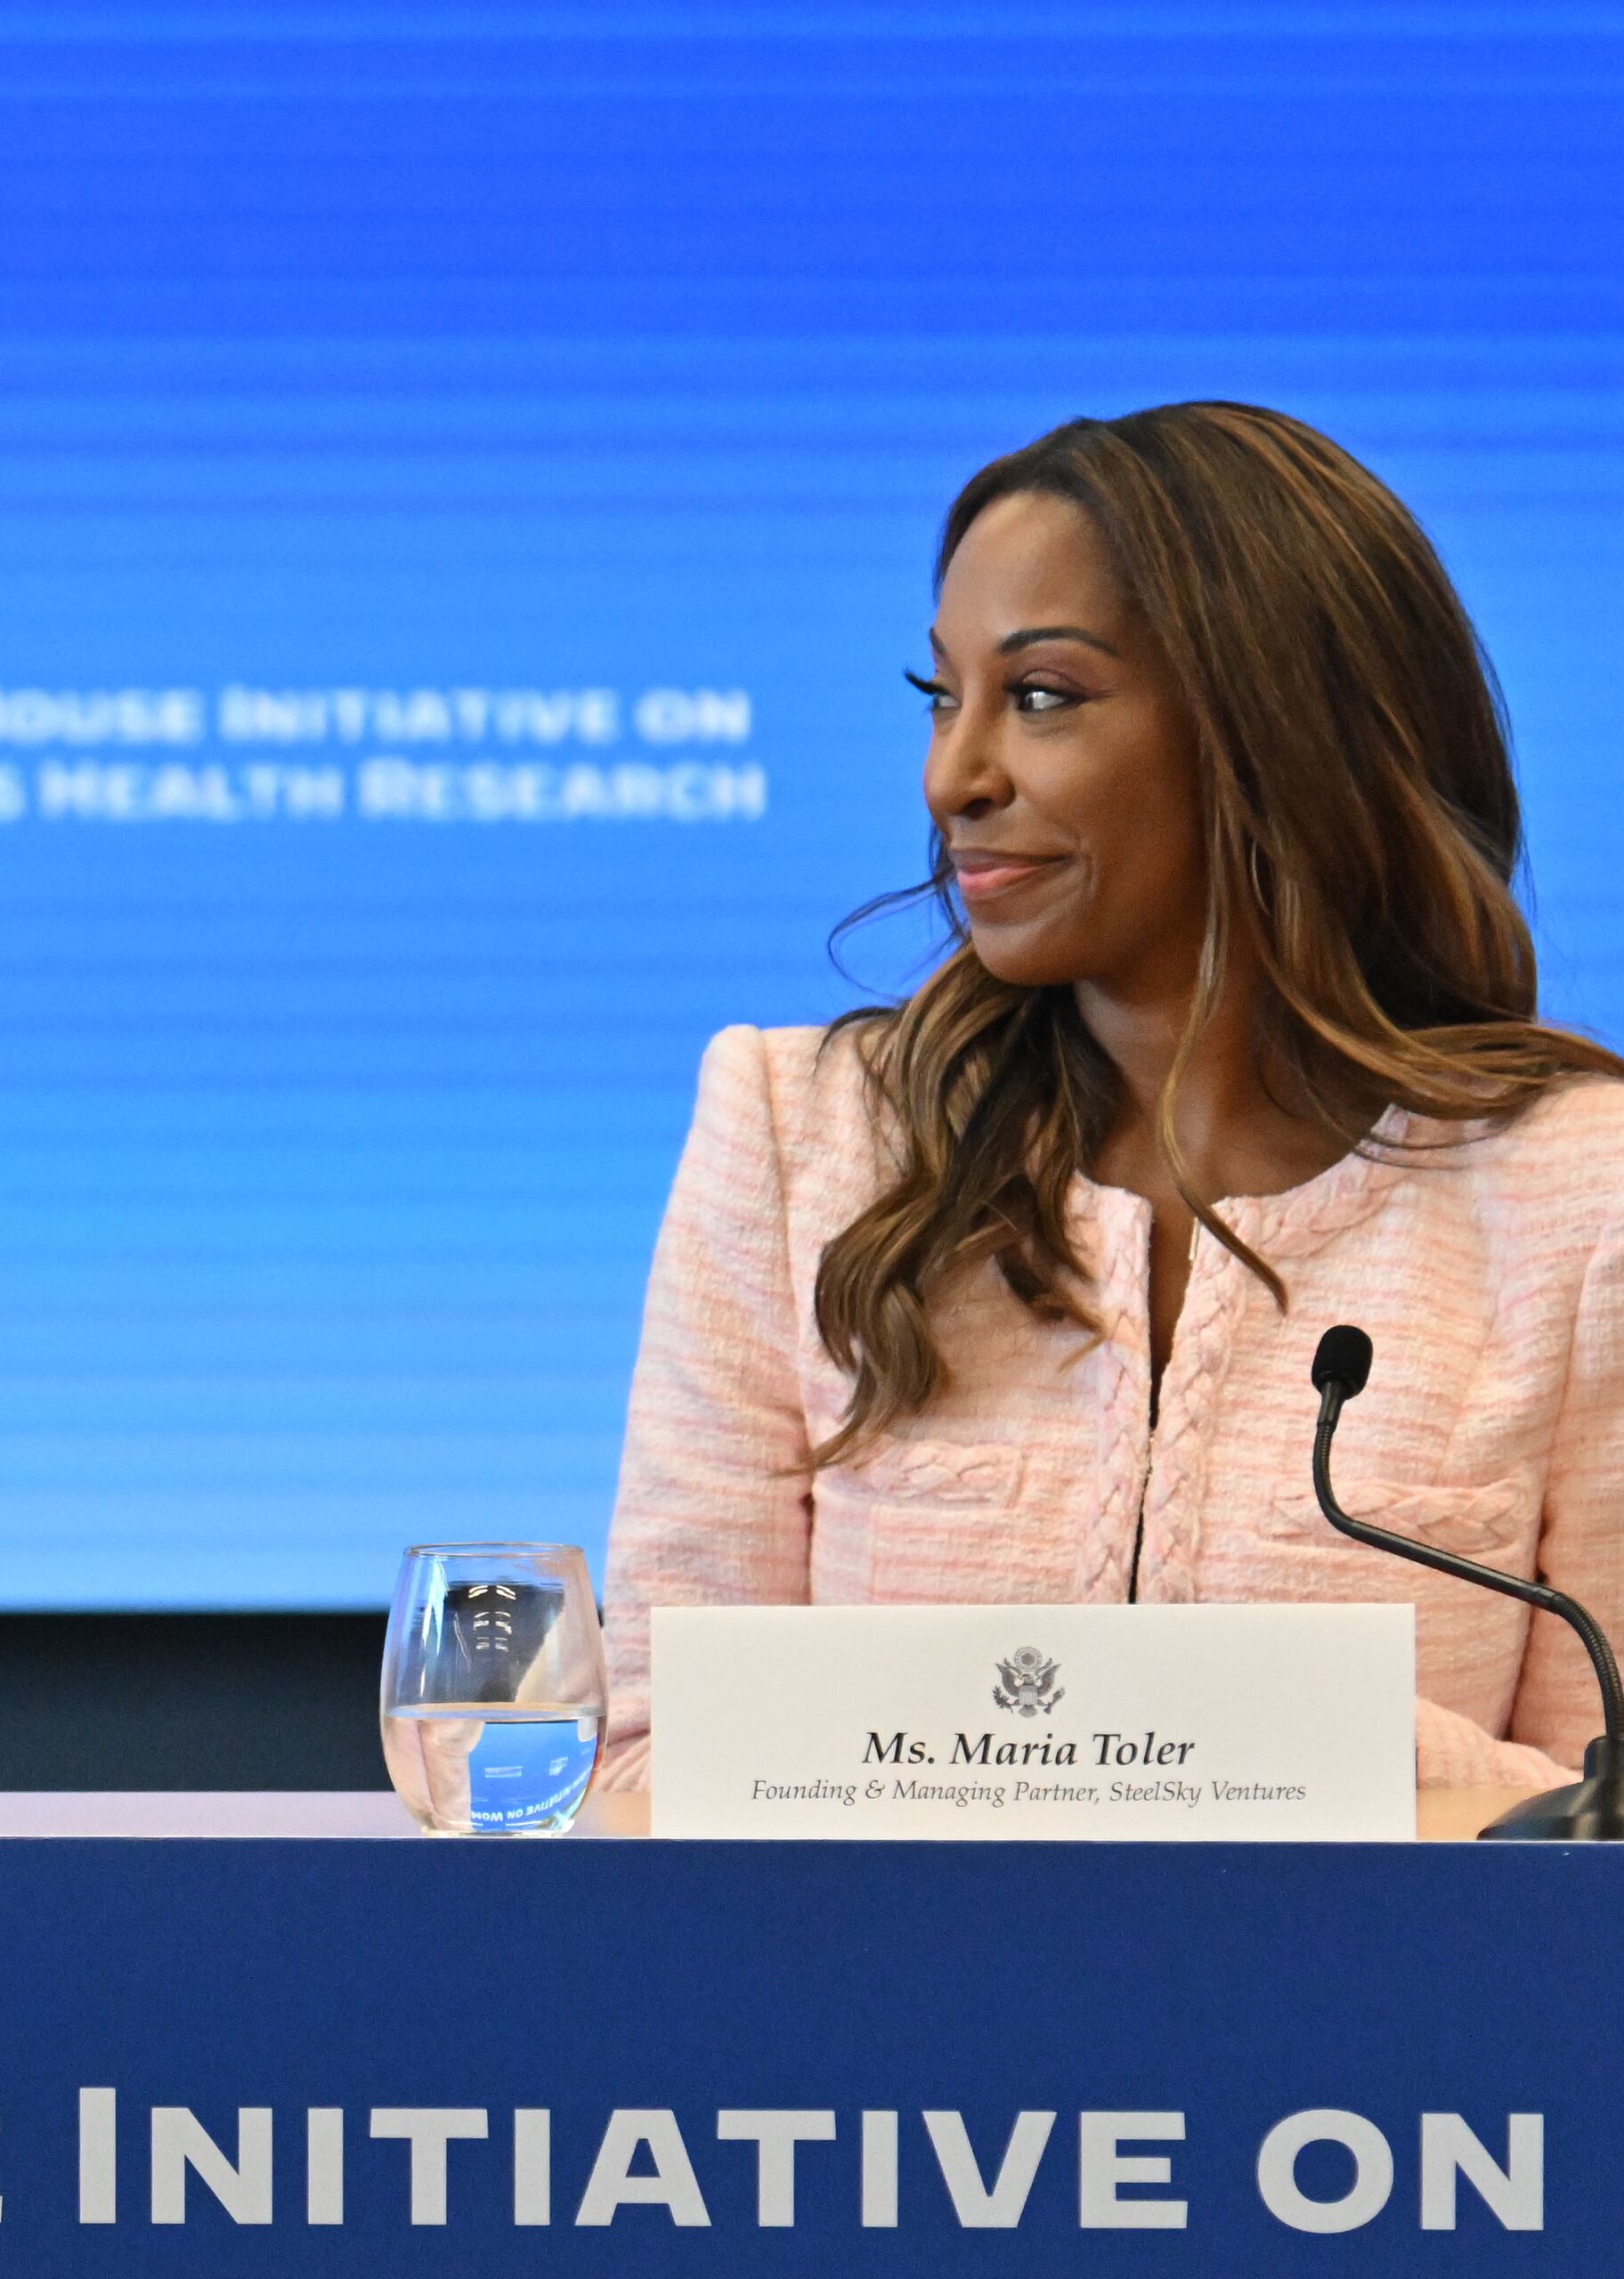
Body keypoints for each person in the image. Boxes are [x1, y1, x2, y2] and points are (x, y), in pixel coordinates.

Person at [599, 401, 1624, 1793]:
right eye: (941, 697)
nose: (953, 776)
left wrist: (1259, 1757)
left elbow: (1602, 1828)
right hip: (871, 2009)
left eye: (1040, 698)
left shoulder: (1578, 1194)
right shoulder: (800, 1136)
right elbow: (651, 1768)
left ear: (1276, 733)